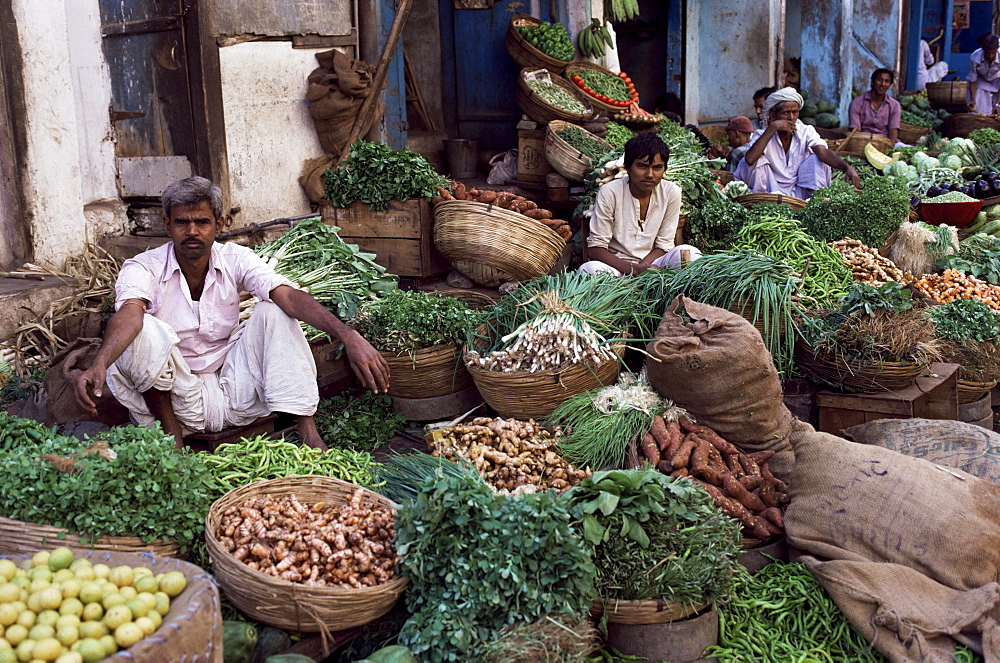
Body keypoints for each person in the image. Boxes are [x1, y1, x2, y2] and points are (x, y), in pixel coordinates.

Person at [73, 177, 389, 450]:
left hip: (234, 392)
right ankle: (173, 446)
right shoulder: (143, 267)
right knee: (143, 329)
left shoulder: (235, 257)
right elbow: (129, 313)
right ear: (167, 224)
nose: (192, 231)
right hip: (177, 403)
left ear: (219, 225)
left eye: (202, 222)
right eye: (182, 222)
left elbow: (289, 297)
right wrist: (100, 361)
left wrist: (348, 334)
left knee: (274, 311)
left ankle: (308, 432)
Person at [579, 133, 701, 276]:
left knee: (691, 253)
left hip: (655, 265)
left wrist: (644, 269)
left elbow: (664, 245)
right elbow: (596, 248)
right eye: (642, 166)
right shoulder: (610, 192)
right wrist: (634, 270)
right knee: (588, 270)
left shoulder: (671, 192)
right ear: (628, 167)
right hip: (617, 268)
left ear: (664, 169)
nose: (650, 174)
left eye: (657, 167)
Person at [735, 87, 861, 199]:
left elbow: (822, 152)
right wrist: (772, 128)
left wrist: (847, 167)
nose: (791, 118)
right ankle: (758, 202)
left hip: (800, 190)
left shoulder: (806, 131)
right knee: (754, 160)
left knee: (817, 159)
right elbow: (750, 159)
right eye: (785, 113)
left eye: (794, 112)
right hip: (769, 191)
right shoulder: (762, 134)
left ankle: (816, 202)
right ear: (773, 115)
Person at [848, 68, 901, 145]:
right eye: (879, 80)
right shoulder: (857, 103)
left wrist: (889, 149)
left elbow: (893, 130)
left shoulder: (894, 105)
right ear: (872, 82)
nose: (883, 84)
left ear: (890, 85)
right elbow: (855, 131)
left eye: (887, 81)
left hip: (885, 142)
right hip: (862, 141)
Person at [968, 34, 1000, 115]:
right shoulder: (975, 57)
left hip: (997, 79)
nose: (990, 56)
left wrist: (997, 104)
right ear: (982, 49)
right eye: (987, 53)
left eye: (993, 52)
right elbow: (973, 80)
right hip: (981, 81)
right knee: (977, 112)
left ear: (997, 48)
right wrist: (973, 99)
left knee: (997, 112)